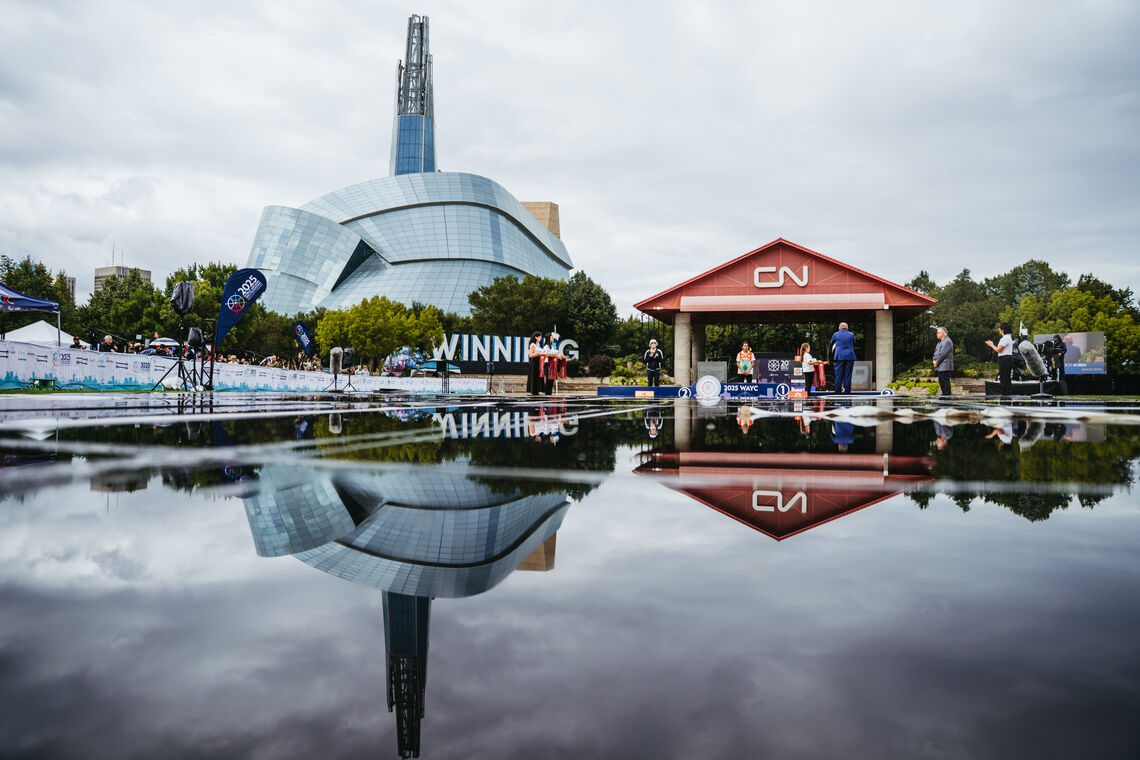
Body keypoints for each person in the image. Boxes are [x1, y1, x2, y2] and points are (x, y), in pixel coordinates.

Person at [984, 322, 1014, 397]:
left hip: (1004, 358)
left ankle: (1005, 394)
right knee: (1006, 377)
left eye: (1000, 329)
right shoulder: (1008, 337)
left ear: (1003, 330)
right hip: (1006, 358)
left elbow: (998, 350)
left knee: (1004, 377)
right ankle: (1006, 393)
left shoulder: (1005, 338)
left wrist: (991, 345)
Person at [830, 322, 856, 394]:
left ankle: (838, 392)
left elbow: (831, 343)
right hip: (850, 356)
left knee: (838, 375)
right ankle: (847, 392)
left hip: (839, 356)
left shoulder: (836, 334)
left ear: (839, 328)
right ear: (847, 328)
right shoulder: (851, 334)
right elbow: (854, 342)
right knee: (847, 375)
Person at [932, 326, 954, 397]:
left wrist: (937, 362)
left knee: (945, 382)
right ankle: (944, 397)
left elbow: (943, 354)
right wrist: (934, 360)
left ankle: (947, 398)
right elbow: (936, 353)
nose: (936, 334)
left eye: (938, 332)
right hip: (941, 366)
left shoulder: (947, 341)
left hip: (944, 365)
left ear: (943, 333)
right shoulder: (940, 342)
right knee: (942, 382)